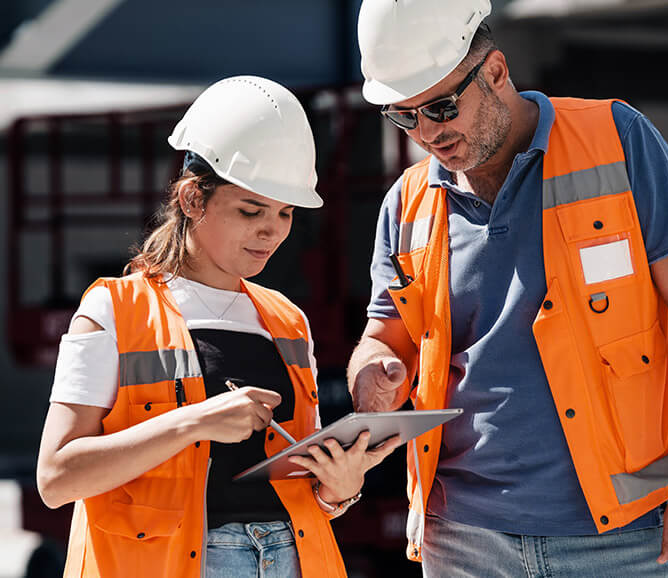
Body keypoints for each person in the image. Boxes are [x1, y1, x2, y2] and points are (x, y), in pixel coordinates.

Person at [347, 0, 668, 577]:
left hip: (624, 537)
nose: (427, 132)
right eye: (404, 115)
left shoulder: (618, 139)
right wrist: (373, 373)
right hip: (463, 538)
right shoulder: (408, 204)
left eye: (441, 107)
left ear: (495, 70)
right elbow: (383, 335)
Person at [36, 76, 400, 578]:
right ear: (191, 199)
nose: (271, 230)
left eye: (286, 213)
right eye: (250, 210)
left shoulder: (288, 321)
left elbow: (309, 489)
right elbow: (56, 478)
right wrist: (195, 422)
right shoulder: (113, 309)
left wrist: (342, 486)